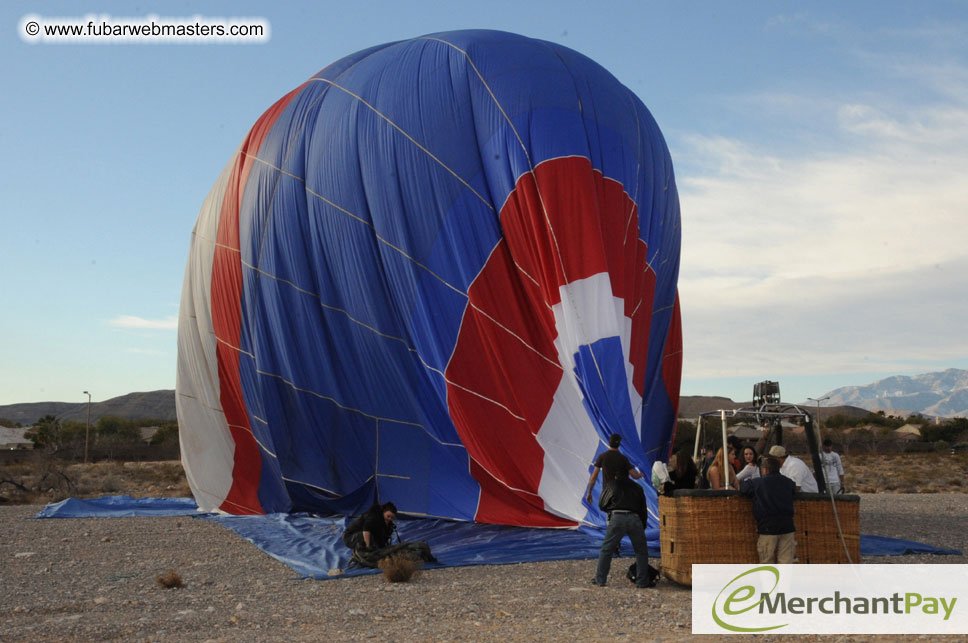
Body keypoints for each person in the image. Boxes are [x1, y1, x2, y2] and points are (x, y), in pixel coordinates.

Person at [591, 475, 653, 588]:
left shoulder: (613, 485)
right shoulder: (637, 486)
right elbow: (643, 509)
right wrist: (642, 525)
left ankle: (600, 579)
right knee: (641, 552)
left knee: (606, 550)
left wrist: (611, 510)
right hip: (635, 518)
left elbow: (602, 504)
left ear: (615, 475)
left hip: (617, 518)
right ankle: (642, 582)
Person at [342, 501, 435, 568]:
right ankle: (364, 554)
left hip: (367, 537)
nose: (390, 519)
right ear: (383, 512)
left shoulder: (386, 522)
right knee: (366, 540)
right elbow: (366, 530)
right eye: (388, 516)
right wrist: (368, 546)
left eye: (392, 517)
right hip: (351, 537)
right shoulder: (373, 516)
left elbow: (382, 540)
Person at [740, 456, 797, 564]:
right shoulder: (788, 482)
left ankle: (769, 582)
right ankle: (784, 581)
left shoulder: (757, 483)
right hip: (787, 526)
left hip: (767, 527)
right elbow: (794, 490)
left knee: (767, 562)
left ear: (765, 469)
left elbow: (743, 488)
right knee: (786, 562)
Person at [585, 434, 643, 505]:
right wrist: (641, 474)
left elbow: (593, 477)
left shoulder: (602, 457)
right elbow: (634, 476)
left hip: (607, 493)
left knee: (610, 512)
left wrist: (589, 492)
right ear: (619, 444)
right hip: (621, 493)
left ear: (609, 443)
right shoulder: (623, 458)